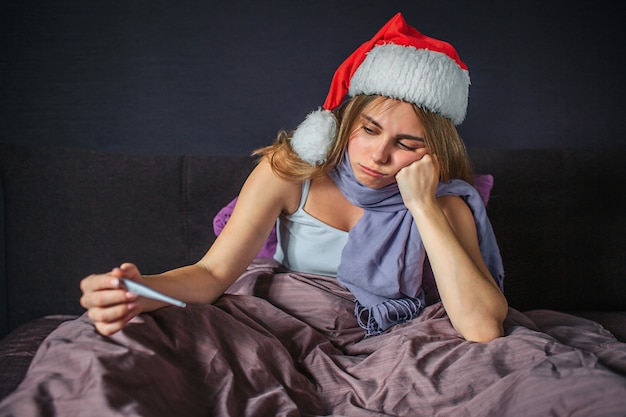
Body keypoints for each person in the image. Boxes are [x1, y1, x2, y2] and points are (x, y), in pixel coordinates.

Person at [80, 12, 508, 343]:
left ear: (433, 153)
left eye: (407, 143)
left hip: (392, 342)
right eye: (370, 130)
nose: (379, 155)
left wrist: (422, 206)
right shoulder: (291, 173)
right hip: (287, 332)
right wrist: (142, 291)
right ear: (344, 123)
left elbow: (483, 327)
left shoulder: (445, 203)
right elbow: (211, 275)